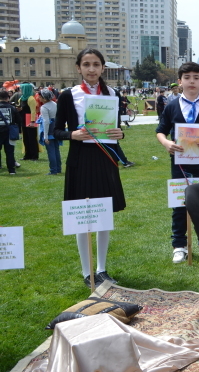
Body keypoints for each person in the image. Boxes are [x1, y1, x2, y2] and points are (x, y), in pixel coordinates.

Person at [54, 48, 127, 288]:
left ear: (103, 68)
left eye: (96, 64)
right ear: (79, 68)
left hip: (105, 159)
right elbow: (55, 131)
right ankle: (88, 273)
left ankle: (102, 269)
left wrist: (120, 133)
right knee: (83, 216)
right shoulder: (68, 95)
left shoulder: (112, 93)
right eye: (86, 64)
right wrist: (71, 134)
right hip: (80, 160)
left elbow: (114, 129)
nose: (92, 69)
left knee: (104, 215)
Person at [156, 62, 199, 263]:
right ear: (180, 82)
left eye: (196, 77)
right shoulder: (171, 106)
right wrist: (167, 143)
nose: (192, 81)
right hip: (179, 164)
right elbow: (160, 130)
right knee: (180, 203)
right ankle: (179, 245)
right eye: (187, 77)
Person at [37, 89, 61, 175]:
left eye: (40, 97)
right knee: (56, 150)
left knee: (51, 151)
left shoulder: (44, 107)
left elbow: (46, 122)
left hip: (49, 130)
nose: (38, 98)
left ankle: (53, 170)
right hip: (56, 129)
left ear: (44, 98)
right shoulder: (55, 104)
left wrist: (45, 136)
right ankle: (58, 168)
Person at [0, 89, 20, 175]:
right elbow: (18, 120)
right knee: (9, 152)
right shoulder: (12, 108)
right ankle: (11, 170)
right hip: (9, 131)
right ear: (8, 98)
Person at [18, 83, 39, 161]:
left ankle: (34, 156)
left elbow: (33, 111)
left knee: (32, 138)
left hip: (30, 120)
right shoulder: (21, 98)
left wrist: (33, 121)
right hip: (23, 120)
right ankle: (27, 155)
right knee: (26, 139)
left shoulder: (31, 99)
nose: (20, 90)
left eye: (22, 89)